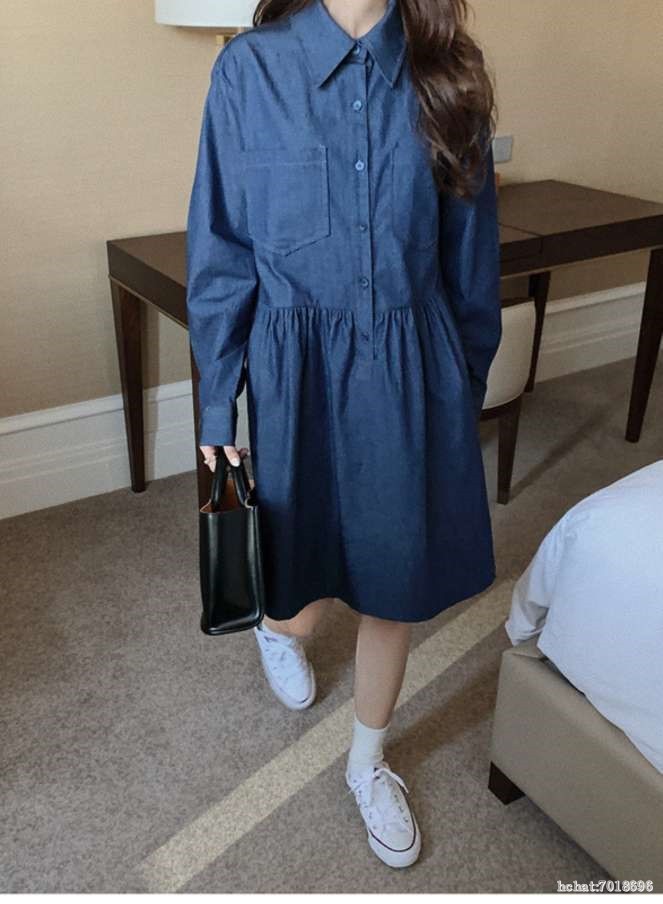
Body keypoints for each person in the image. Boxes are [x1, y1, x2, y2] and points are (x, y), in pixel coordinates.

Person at [186, 0, 502, 869]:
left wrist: (461, 384)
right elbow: (222, 251)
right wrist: (217, 406)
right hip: (295, 372)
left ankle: (368, 761)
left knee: (393, 578)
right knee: (307, 564)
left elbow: (470, 254)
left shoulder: (449, 72)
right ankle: (277, 629)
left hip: (410, 365)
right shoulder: (249, 69)